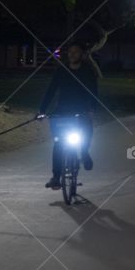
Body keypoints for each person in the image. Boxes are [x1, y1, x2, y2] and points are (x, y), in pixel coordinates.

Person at [37, 42, 101, 189]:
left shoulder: (88, 71)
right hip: (62, 111)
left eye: (76, 52)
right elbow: (51, 90)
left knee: (86, 131)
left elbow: (93, 92)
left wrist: (92, 109)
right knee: (59, 143)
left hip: (82, 110)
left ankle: (84, 153)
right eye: (70, 52)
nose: (72, 54)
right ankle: (56, 177)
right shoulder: (61, 71)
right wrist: (42, 110)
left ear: (82, 55)